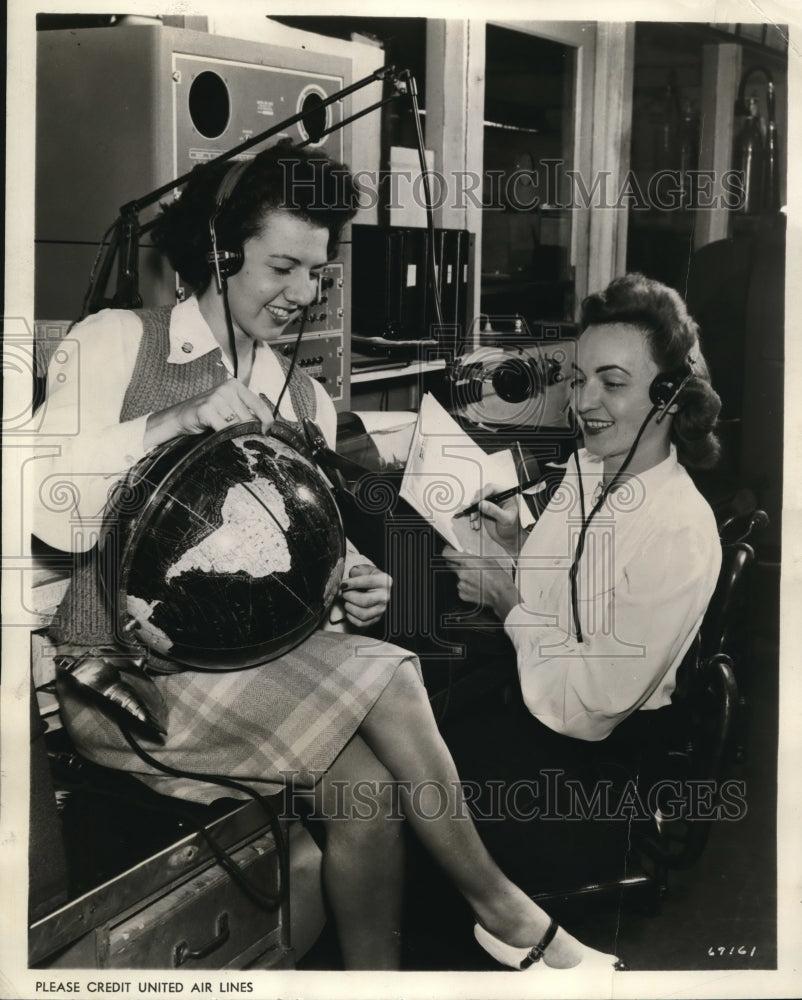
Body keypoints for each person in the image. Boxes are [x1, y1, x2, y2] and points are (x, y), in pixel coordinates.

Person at [35, 143, 623, 973]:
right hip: (123, 678)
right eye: (283, 267)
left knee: (369, 791)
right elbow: (41, 512)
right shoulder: (116, 343)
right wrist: (174, 421)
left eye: (318, 274)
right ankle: (507, 915)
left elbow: (295, 558)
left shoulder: (302, 396)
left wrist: (352, 585)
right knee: (390, 672)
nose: (303, 295)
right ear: (218, 251)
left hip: (244, 665)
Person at [442, 273, 723, 888]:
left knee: (404, 773)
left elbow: (588, 706)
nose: (584, 402)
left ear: (670, 395)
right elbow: (570, 609)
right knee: (406, 722)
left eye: (612, 383)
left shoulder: (678, 528)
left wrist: (507, 598)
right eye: (579, 378)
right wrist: (518, 551)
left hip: (595, 777)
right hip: (542, 720)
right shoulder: (591, 470)